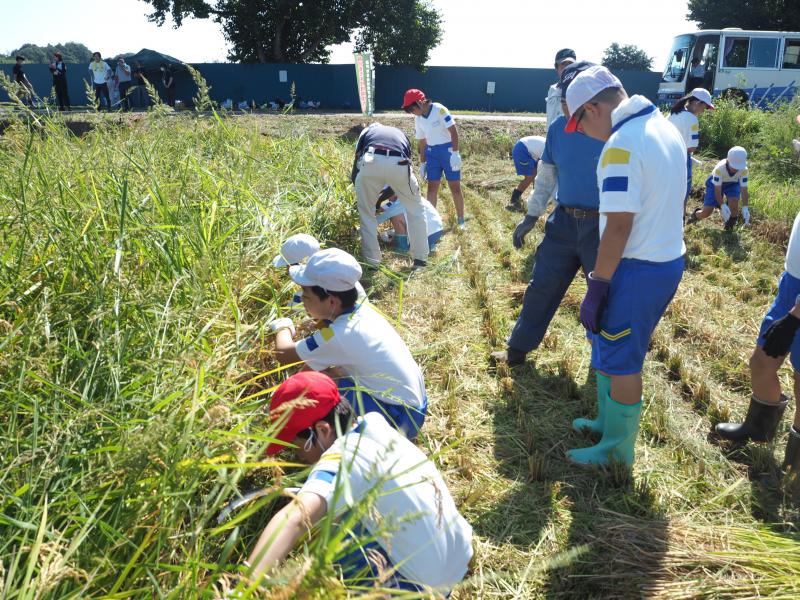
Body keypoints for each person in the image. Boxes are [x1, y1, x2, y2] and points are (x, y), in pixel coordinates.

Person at [244, 371, 473, 594]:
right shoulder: (373, 424)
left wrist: (243, 589)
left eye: (295, 446)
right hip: (457, 560)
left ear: (323, 430)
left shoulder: (340, 458)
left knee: (329, 532)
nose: (296, 455)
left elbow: (294, 519)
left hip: (422, 588)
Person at [564, 65, 686, 467]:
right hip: (663, 258)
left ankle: (616, 450)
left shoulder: (621, 144)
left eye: (577, 121)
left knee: (621, 356)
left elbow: (618, 225)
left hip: (636, 265)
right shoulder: (663, 126)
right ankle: (606, 421)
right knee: (610, 342)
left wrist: (598, 284)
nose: (579, 131)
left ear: (593, 108)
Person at [491, 61, 605, 367]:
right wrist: (531, 216)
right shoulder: (558, 130)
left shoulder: (614, 130)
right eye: (563, 100)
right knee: (541, 285)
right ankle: (518, 349)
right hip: (564, 222)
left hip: (603, 226)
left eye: (571, 100)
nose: (566, 107)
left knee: (604, 297)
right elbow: (545, 177)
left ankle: (603, 364)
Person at [268, 248, 428, 437]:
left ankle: (337, 442)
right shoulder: (360, 311)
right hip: (414, 407)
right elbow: (310, 368)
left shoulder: (340, 334)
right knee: (326, 376)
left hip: (400, 419)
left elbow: (283, 354)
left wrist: (283, 327)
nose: (303, 300)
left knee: (317, 393)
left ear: (332, 301)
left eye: (306, 295)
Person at [713, 211, 800, 472]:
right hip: (792, 285)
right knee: (761, 362)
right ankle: (758, 429)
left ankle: (794, 466)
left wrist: (796, 315)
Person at [351, 122, 429, 269]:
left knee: (367, 213)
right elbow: (406, 164)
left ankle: (372, 261)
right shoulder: (399, 133)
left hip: (371, 160)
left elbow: (356, 166)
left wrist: (366, 197)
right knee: (416, 210)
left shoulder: (366, 132)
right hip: (399, 161)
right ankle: (420, 259)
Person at [401, 89, 467, 228]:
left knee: (454, 187)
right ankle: (432, 221)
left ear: (419, 103)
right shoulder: (418, 119)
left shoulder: (439, 110)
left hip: (448, 151)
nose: (412, 112)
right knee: (432, 188)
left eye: (412, 109)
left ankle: (461, 219)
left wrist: (455, 153)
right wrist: (423, 163)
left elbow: (454, 132)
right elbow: (422, 142)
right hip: (432, 154)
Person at [271, 233, 366, 310]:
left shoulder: (306, 297)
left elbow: (287, 313)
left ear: (300, 265)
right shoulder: (338, 271)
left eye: (288, 266)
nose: (287, 270)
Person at [667, 88, 715, 209]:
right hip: (681, 158)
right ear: (697, 103)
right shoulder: (692, 119)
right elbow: (691, 147)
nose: (703, 111)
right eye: (704, 108)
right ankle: (680, 218)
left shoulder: (673, 113)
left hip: (666, 155)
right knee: (683, 190)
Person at [689, 146, 750, 230]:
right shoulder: (720, 169)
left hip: (733, 183)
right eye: (734, 166)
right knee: (707, 212)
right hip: (715, 184)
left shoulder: (744, 170)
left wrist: (745, 207)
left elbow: (744, 190)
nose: (736, 170)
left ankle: (729, 227)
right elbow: (717, 190)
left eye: (738, 167)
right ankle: (696, 215)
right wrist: (722, 205)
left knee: (734, 204)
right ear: (728, 160)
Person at [375, 186, 445, 253]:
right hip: (437, 231)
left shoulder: (397, 204)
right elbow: (387, 207)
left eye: (388, 197)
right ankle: (428, 245)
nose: (388, 200)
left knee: (395, 218)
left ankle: (402, 248)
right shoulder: (411, 196)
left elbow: (378, 220)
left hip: (428, 235)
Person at [508, 135, 546, 211]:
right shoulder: (552, 151)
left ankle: (535, 198)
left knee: (536, 173)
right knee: (530, 176)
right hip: (522, 149)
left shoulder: (553, 147)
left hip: (527, 149)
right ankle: (515, 199)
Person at [545, 48, 577, 128]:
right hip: (554, 137)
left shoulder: (580, 88)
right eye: (563, 64)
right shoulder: (552, 89)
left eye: (570, 63)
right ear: (556, 67)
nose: (567, 67)